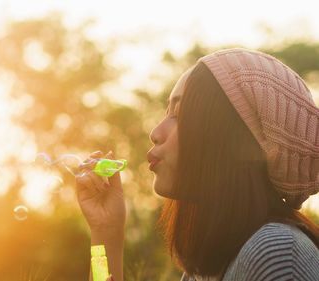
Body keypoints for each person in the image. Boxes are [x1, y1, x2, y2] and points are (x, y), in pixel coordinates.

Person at [75, 48, 319, 281]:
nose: (155, 132)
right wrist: (106, 231)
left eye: (179, 114)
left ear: (232, 138)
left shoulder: (277, 254)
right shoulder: (209, 267)